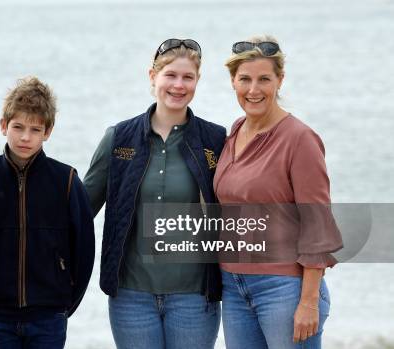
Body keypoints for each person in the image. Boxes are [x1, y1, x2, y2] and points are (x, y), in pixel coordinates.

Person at [84, 39, 226, 349]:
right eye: (170, 75)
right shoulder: (119, 138)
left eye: (188, 77)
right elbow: (79, 210)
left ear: (197, 81)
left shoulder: (215, 139)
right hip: (131, 297)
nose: (178, 85)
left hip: (194, 298)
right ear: (153, 77)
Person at [213, 35, 344, 348]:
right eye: (245, 79)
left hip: (284, 288)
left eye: (264, 79)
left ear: (280, 80)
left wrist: (309, 302)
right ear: (233, 81)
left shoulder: (300, 139)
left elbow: (317, 223)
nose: (253, 90)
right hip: (233, 286)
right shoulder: (235, 131)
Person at [0, 76, 95, 349]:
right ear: (3, 126)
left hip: (49, 314)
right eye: (18, 127)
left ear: (47, 132)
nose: (25, 137)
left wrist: (65, 300)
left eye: (35, 130)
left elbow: (84, 247)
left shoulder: (66, 181)